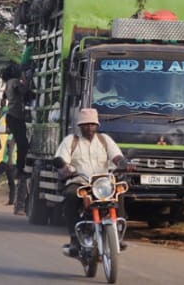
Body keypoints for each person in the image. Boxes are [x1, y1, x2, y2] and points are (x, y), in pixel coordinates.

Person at [53, 108, 131, 257]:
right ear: (80, 126)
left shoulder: (104, 140)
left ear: (97, 126)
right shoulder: (71, 140)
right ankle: (74, 238)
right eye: (86, 125)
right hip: (80, 181)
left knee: (119, 194)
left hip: (103, 184)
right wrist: (64, 168)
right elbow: (61, 159)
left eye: (92, 125)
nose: (89, 128)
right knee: (70, 196)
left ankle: (118, 234)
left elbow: (116, 157)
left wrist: (123, 163)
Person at [1, 62, 31, 215]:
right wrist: (26, 82)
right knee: (23, 144)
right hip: (15, 117)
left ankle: (20, 168)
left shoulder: (7, 84)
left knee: (22, 143)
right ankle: (20, 169)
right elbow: (25, 92)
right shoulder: (14, 83)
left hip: (12, 117)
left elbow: (3, 99)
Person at [0, 126, 16, 206]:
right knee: (11, 183)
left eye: (7, 128)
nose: (6, 129)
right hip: (12, 162)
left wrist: (9, 159)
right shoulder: (13, 136)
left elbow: (11, 147)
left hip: (6, 162)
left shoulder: (11, 137)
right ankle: (11, 200)